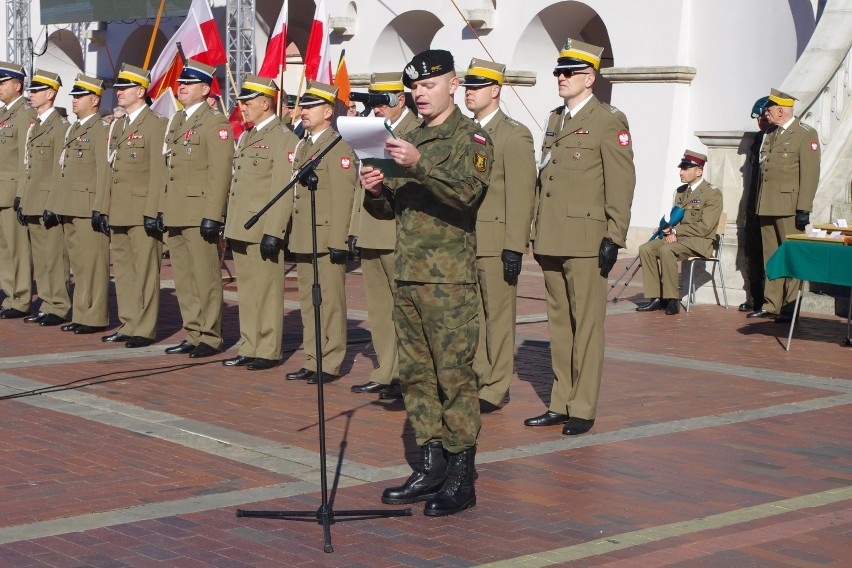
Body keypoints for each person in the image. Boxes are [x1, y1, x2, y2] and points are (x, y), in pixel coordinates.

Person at [360, 49, 492, 516]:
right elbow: (391, 208)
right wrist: (375, 189)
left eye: (429, 85)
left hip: (448, 281)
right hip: (409, 274)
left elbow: (465, 195)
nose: (419, 94)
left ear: (453, 86)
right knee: (416, 376)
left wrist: (417, 164)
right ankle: (430, 464)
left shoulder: (471, 137)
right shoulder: (406, 135)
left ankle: (462, 476)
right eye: (414, 87)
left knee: (454, 377)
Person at [524, 38, 635, 436]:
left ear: (589, 77)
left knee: (586, 325)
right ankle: (561, 401)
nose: (560, 78)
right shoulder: (556, 118)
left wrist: (614, 236)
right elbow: (544, 179)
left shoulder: (609, 120)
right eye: (557, 72)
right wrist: (534, 229)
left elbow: (621, 183)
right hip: (552, 236)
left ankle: (583, 406)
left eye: (567, 72)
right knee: (559, 325)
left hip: (587, 239)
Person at [462, 58, 536, 414]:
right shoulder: (462, 131)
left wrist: (514, 246)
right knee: (472, 316)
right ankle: (478, 375)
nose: (469, 93)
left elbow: (522, 193)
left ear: (496, 90)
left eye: (476, 87)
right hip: (464, 239)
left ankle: (496, 385)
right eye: (466, 87)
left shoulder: (513, 134)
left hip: (495, 241)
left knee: (497, 317)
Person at [348, 72, 421, 399]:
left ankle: (407, 376)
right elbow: (359, 184)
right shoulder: (368, 131)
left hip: (397, 231)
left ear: (400, 100)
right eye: (373, 102)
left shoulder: (413, 133)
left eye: (382, 102)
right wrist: (354, 229)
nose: (376, 108)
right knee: (379, 309)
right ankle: (386, 370)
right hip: (371, 229)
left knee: (404, 311)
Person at [222, 75, 298, 370]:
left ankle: (267, 349)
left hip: (263, 227)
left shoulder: (284, 139)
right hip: (242, 225)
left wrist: (274, 231)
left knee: (266, 291)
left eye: (248, 102)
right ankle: (250, 345)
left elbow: (282, 189)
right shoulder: (248, 135)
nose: (242, 107)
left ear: (266, 103)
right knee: (249, 291)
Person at [284, 81, 357, 385]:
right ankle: (313, 359)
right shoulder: (304, 144)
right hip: (304, 234)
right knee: (307, 301)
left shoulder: (337, 145)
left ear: (328, 111)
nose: (303, 111)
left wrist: (340, 239)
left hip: (327, 237)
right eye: (303, 106)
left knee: (329, 302)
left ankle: (331, 360)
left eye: (310, 107)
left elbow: (344, 197)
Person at [160, 59, 233, 358]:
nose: (182, 88)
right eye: (180, 84)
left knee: (205, 278)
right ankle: (192, 331)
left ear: (205, 89)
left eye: (188, 85)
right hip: (177, 209)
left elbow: (220, 172)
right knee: (185, 278)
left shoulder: (215, 122)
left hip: (199, 211)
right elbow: (170, 168)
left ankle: (210, 336)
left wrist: (213, 215)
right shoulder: (177, 120)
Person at [96, 64, 166, 348]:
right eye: (118, 89)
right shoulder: (118, 125)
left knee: (145, 271)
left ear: (141, 91)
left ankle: (144, 328)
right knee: (123, 270)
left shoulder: (156, 124)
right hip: (118, 208)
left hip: (140, 211)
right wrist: (102, 207)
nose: (119, 93)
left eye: (125, 89)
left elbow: (158, 172)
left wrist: (153, 210)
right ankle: (128, 323)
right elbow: (109, 170)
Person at [45, 74, 111, 334]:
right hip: (70, 204)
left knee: (92, 265)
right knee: (79, 265)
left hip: (87, 206)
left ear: (95, 100)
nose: (74, 100)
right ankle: (82, 313)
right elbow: (61, 170)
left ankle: (93, 316)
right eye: (73, 95)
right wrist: (55, 202)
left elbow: (103, 172)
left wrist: (100, 207)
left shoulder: (100, 129)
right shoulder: (73, 128)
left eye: (80, 96)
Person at [748, 88, 820, 323]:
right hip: (766, 203)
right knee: (772, 258)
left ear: (780, 110)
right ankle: (771, 305)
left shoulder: (805, 134)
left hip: (789, 207)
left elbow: (810, 175)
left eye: (768, 109)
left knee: (790, 256)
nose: (765, 113)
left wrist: (804, 208)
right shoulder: (770, 134)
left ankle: (790, 306)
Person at [635, 150, 722, 315]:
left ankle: (672, 299)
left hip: (699, 241)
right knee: (645, 248)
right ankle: (655, 297)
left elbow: (705, 227)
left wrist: (675, 231)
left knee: (666, 250)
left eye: (686, 169)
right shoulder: (681, 191)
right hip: (678, 238)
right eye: (681, 168)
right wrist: (667, 231)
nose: (681, 172)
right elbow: (675, 217)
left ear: (699, 171)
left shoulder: (712, 193)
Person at [17, 69, 70, 327]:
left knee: (54, 257)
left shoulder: (59, 127)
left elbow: (61, 169)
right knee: (41, 257)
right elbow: (28, 167)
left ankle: (58, 305)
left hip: (48, 200)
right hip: (33, 200)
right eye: (31, 90)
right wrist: (22, 198)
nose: (32, 94)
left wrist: (54, 203)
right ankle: (47, 302)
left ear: (50, 94)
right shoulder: (36, 125)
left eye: (37, 91)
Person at [0, 62, 36, 320]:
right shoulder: (4, 113)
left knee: (17, 248)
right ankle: (9, 293)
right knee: (4, 248)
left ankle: (21, 297)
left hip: (12, 190)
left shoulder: (25, 114)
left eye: (2, 83)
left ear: (17, 85)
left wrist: (22, 193)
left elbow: (26, 158)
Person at [739, 97, 773, 313]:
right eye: (758, 118)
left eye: (762, 117)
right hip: (753, 204)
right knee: (752, 252)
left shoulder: (776, 138)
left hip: (770, 203)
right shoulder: (758, 139)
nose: (760, 121)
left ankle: (771, 300)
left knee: (770, 253)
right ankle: (755, 297)